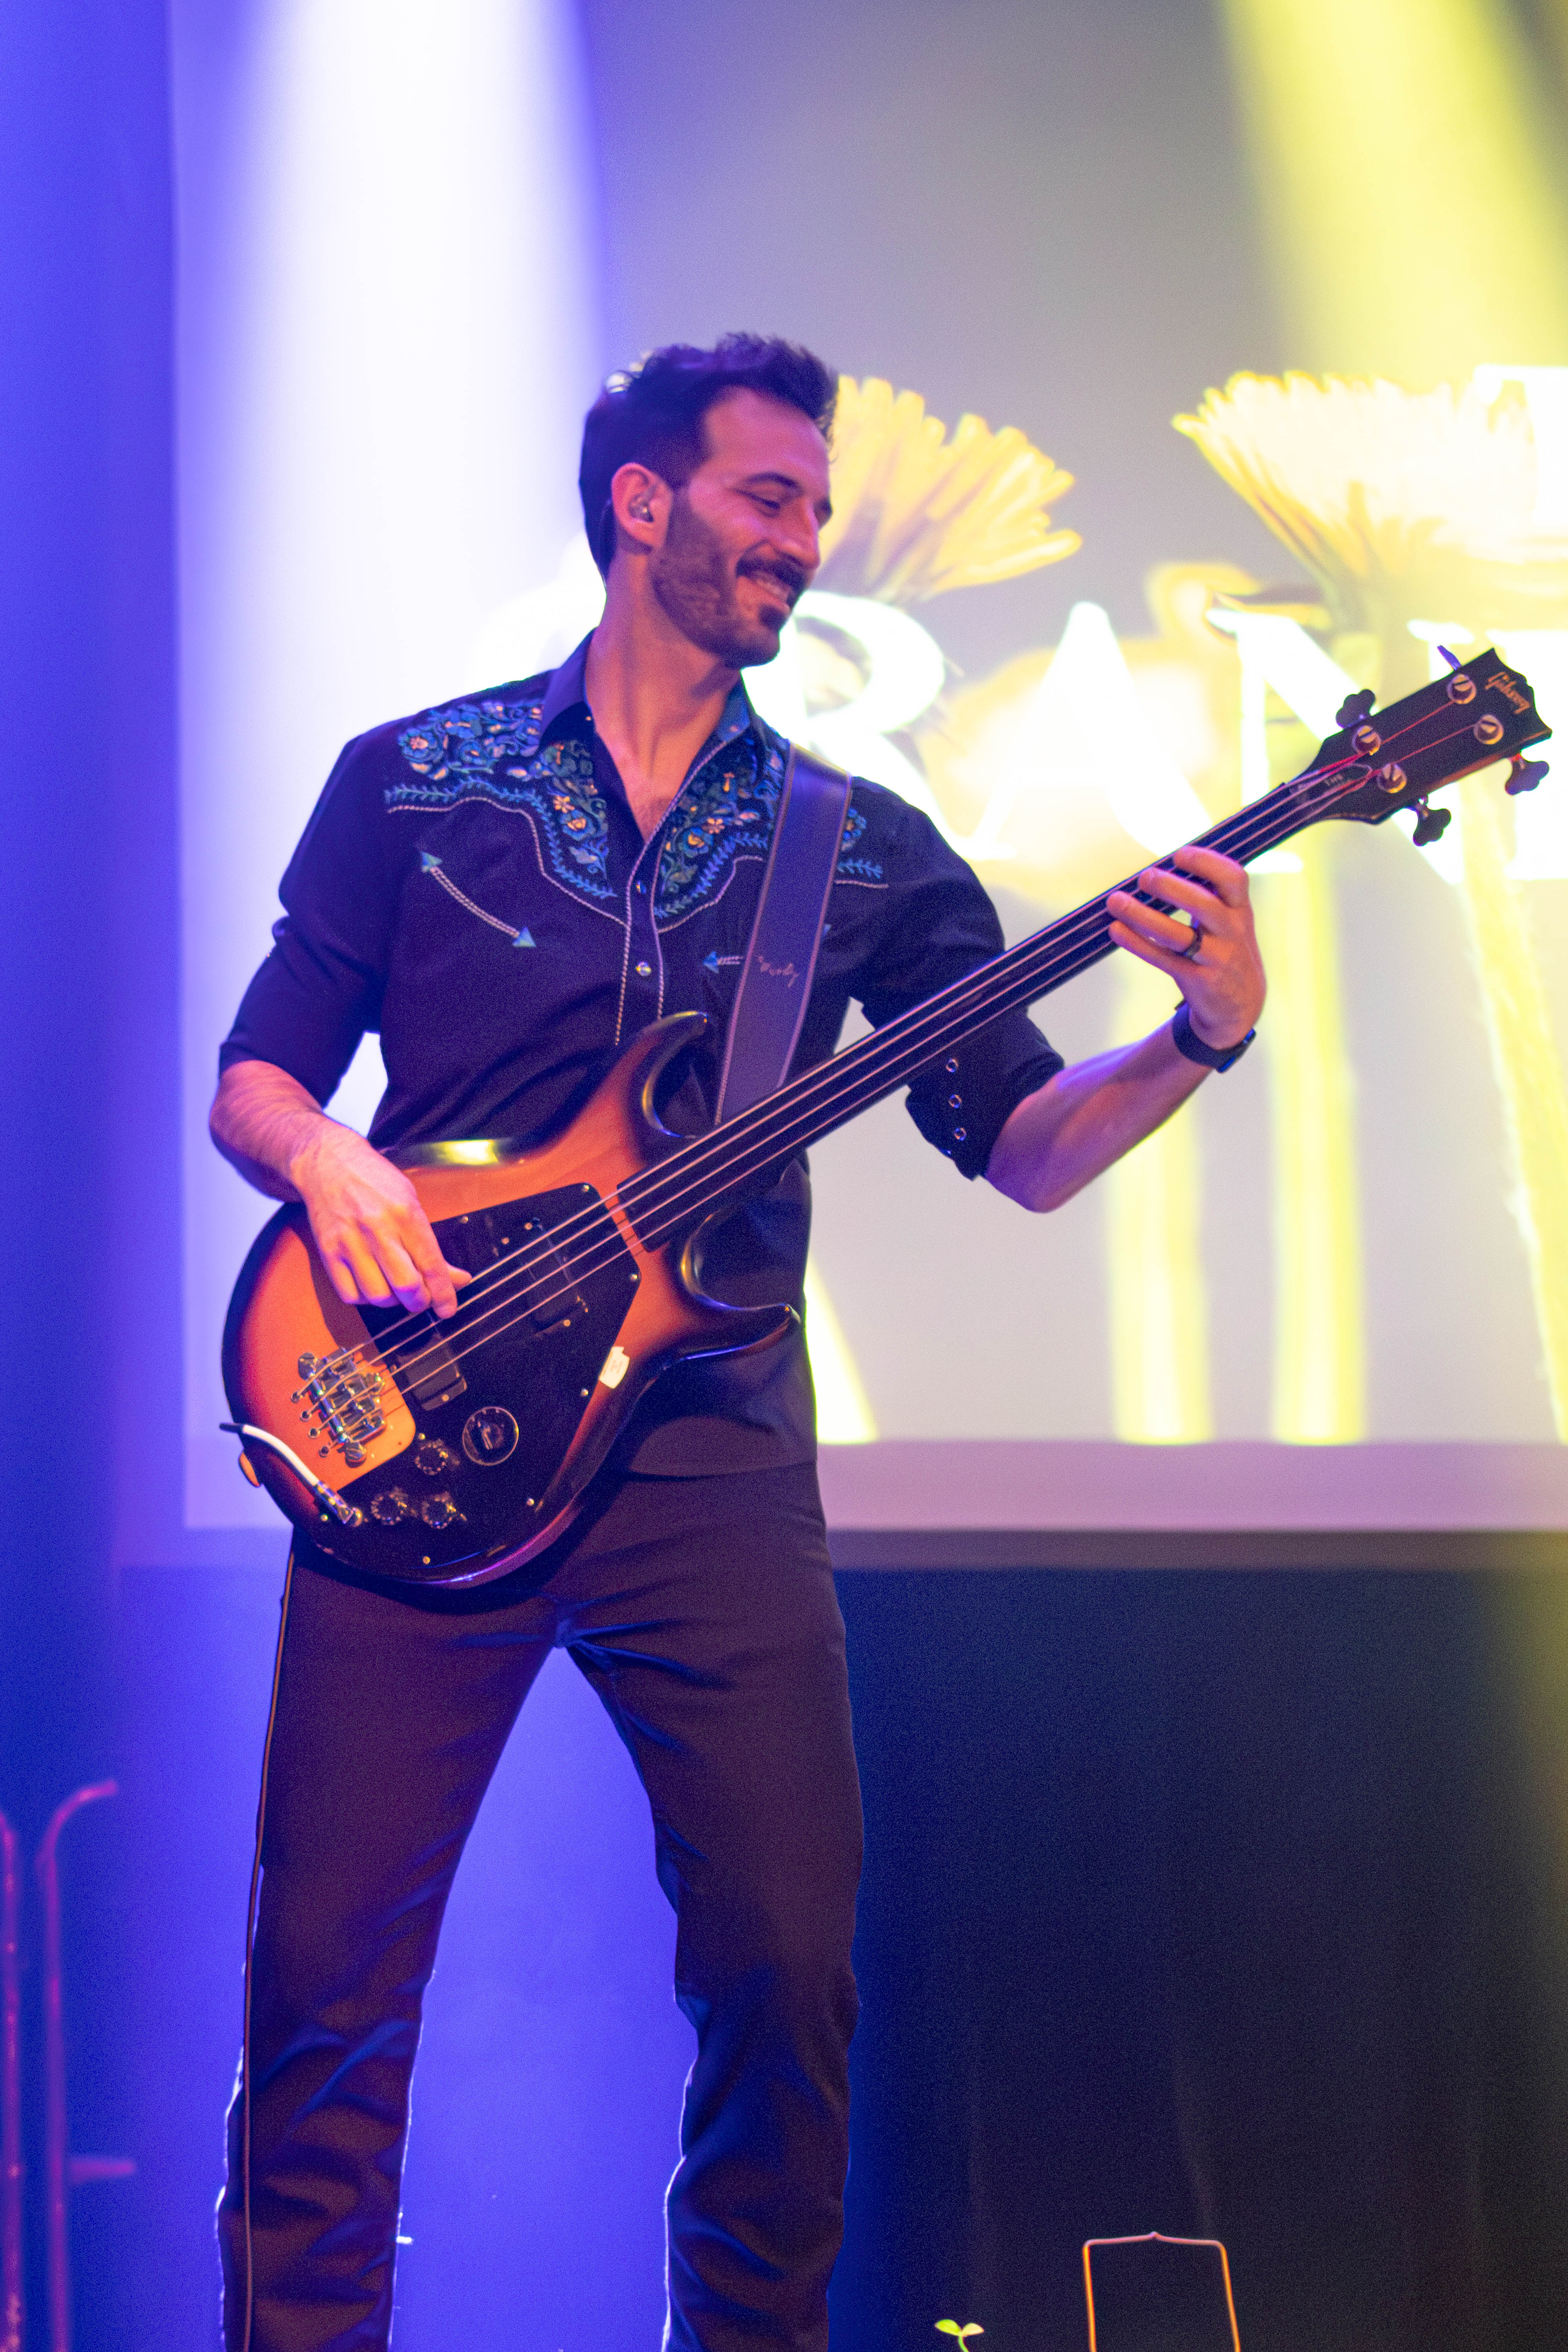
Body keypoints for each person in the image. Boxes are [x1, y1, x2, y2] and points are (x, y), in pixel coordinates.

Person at [210, 334, 1266, 2352]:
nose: (806, 537)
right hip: (405, 1427)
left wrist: (1202, 1036)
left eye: (813, 506)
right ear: (644, 505)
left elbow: (1025, 1153)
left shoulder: (857, 852)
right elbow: (256, 1076)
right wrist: (330, 1167)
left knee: (786, 1963)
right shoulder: (414, 782)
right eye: (770, 497)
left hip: (702, 1457)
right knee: (326, 1979)